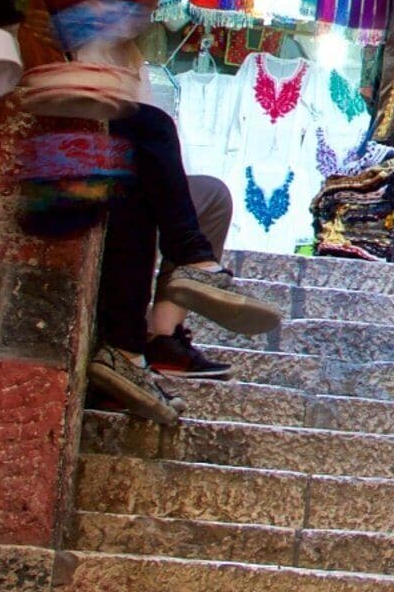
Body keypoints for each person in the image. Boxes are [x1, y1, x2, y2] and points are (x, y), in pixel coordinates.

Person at [86, 100, 284, 421]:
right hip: (95, 151)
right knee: (151, 133)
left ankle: (165, 335)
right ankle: (128, 347)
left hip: (116, 146)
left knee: (214, 194)